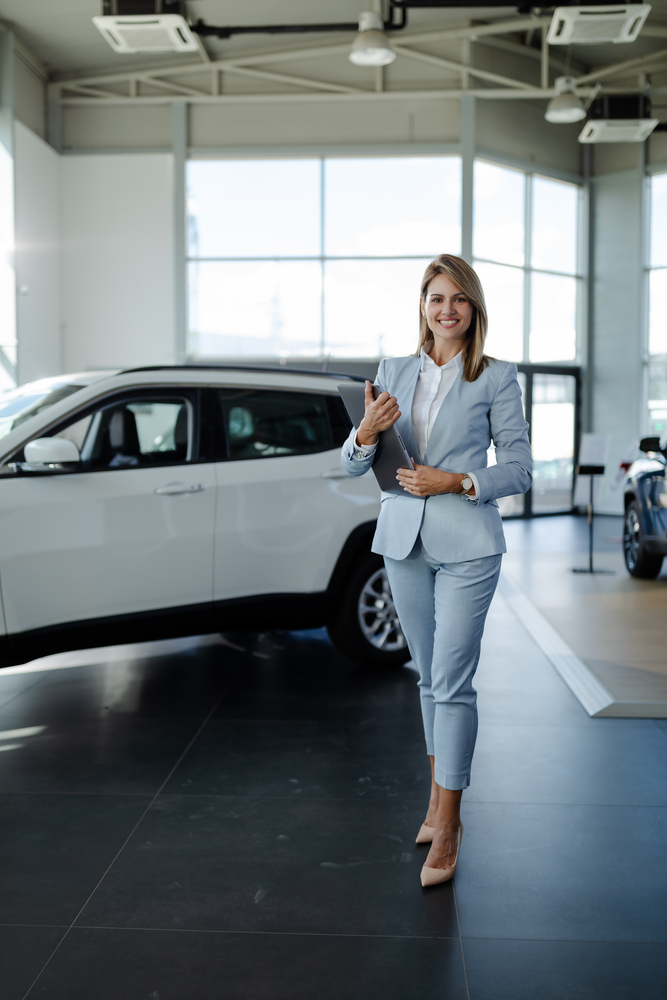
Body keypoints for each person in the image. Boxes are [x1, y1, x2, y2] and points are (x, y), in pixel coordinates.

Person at [341, 254, 532, 888]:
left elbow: (522, 470)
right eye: (434, 298)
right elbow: (351, 462)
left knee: (452, 682)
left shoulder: (497, 377)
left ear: (474, 308)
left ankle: (448, 827)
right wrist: (366, 430)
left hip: (468, 541)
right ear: (421, 307)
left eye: (458, 299)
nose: (445, 309)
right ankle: (434, 801)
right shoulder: (393, 370)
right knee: (427, 678)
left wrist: (458, 480)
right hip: (402, 541)